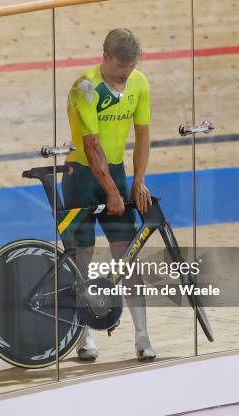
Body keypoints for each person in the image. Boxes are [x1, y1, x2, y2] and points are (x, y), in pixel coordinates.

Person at [63, 28, 155, 361]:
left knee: (127, 257)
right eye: (120, 68)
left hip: (114, 173)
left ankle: (142, 335)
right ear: (105, 56)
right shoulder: (85, 87)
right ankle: (83, 336)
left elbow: (143, 137)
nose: (125, 74)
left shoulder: (140, 83)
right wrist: (112, 193)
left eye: (131, 67)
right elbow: (92, 147)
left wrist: (138, 181)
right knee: (81, 260)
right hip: (82, 178)